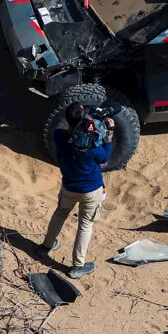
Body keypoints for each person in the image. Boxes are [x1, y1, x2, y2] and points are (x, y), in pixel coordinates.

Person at [42, 102, 113, 279]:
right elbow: (105, 157)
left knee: (60, 212)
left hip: (69, 186)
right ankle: (77, 266)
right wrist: (109, 133)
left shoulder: (59, 136)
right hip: (91, 190)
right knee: (85, 224)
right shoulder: (92, 147)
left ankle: (47, 245)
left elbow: (66, 133)